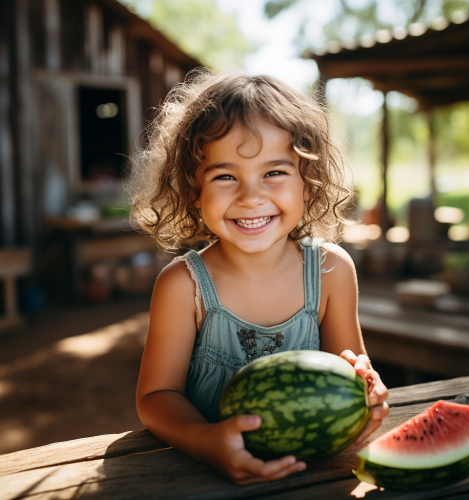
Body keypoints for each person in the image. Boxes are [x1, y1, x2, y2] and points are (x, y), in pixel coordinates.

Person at [131, 68, 389, 485]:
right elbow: (156, 397)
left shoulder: (331, 272)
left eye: (274, 172)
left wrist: (367, 391)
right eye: (225, 176)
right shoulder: (183, 286)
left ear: (309, 182)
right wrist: (205, 439)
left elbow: (351, 372)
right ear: (193, 189)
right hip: (199, 480)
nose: (251, 197)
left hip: (313, 477)